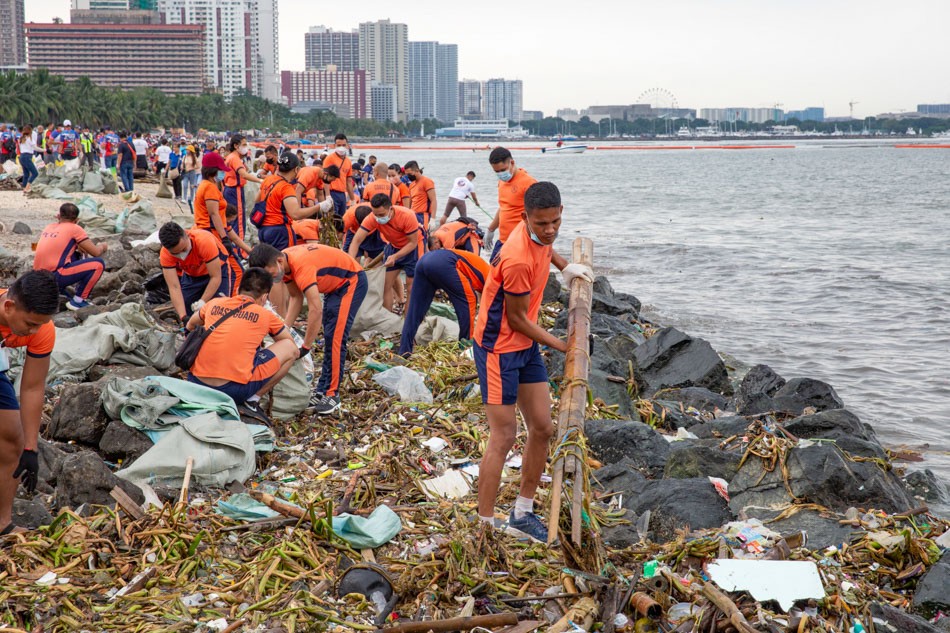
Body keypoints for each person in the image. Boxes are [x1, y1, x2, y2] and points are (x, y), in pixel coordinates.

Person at [472, 181, 593, 542]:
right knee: (504, 435)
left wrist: (565, 267)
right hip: (498, 347)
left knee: (542, 427)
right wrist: (564, 345)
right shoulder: (517, 257)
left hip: (524, 346)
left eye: (556, 221)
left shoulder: (543, 233)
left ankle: (522, 513)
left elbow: (548, 245)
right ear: (525, 218)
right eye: (542, 224)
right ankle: (485, 525)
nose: (551, 229)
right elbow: (517, 319)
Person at [248, 243, 367, 415]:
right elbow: (296, 298)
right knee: (329, 335)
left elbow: (315, 309)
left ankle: (332, 394)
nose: (269, 278)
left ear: (279, 261)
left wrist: (306, 345)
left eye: (269, 273)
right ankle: (322, 390)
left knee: (335, 338)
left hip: (351, 281)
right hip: (333, 288)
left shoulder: (301, 266)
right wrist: (283, 331)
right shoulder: (285, 267)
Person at [185, 267, 298, 410]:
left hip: (196, 382)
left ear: (238, 289)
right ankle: (253, 399)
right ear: (264, 297)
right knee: (290, 349)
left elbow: (190, 324)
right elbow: (289, 342)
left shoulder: (214, 303)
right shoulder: (264, 314)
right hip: (232, 390)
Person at [0, 271, 60, 535]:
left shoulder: (43, 329)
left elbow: (33, 387)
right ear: (9, 307)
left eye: (40, 324)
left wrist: (31, 448)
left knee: (14, 438)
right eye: (30, 323)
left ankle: (2, 525)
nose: (34, 330)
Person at [398, 247, 490, 356]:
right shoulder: (492, 280)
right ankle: (466, 346)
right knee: (469, 300)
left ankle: (404, 349)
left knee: (415, 310)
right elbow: (487, 304)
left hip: (424, 261)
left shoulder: (486, 270)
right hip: (444, 263)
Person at [347, 194, 423, 312]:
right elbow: (356, 241)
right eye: (375, 214)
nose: (378, 218)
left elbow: (412, 243)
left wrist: (395, 256)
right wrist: (351, 262)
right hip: (393, 246)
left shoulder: (407, 216)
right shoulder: (372, 217)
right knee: (385, 285)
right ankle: (388, 317)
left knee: (412, 287)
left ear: (390, 209)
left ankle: (407, 322)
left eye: (381, 215)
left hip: (413, 248)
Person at [33, 202, 109, 310]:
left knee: (73, 254)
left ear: (58, 216)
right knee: (98, 264)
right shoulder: (74, 228)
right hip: (54, 276)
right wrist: (102, 246)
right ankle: (78, 300)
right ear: (77, 220)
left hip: (38, 276)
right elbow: (95, 252)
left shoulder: (49, 227)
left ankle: (60, 290)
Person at [193, 152, 251, 291]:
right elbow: (214, 214)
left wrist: (249, 250)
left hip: (206, 231)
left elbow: (232, 233)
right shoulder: (210, 188)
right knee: (235, 271)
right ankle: (233, 302)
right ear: (214, 170)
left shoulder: (205, 185)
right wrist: (224, 238)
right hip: (212, 232)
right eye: (220, 170)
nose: (222, 174)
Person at [158, 222, 232, 324]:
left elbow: (215, 277)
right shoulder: (165, 254)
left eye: (183, 249)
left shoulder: (204, 241)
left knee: (219, 310)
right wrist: (183, 317)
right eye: (176, 253)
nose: (182, 255)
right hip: (192, 274)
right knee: (187, 308)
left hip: (217, 270)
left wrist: (202, 301)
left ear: (186, 235)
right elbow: (174, 287)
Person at [257, 152, 331, 251]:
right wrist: (320, 206)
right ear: (296, 169)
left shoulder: (268, 180)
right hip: (279, 230)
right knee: (283, 260)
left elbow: (257, 201)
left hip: (263, 228)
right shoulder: (286, 187)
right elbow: (295, 214)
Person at [484, 147, 537, 260]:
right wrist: (491, 229)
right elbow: (503, 207)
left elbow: (538, 213)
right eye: (496, 172)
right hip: (503, 239)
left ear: (512, 163)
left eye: (503, 170)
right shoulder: (502, 182)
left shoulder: (528, 183)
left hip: (520, 241)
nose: (500, 174)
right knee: (493, 273)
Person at [223, 134, 263, 245]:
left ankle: (234, 246)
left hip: (229, 189)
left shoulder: (231, 157)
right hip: (235, 190)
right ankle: (239, 250)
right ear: (236, 146)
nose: (246, 147)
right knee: (239, 220)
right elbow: (244, 174)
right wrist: (259, 181)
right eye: (244, 144)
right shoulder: (234, 158)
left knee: (232, 219)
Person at [322, 133, 354, 216]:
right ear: (334, 145)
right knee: (333, 218)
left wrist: (352, 199)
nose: (341, 147)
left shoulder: (348, 161)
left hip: (342, 194)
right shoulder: (329, 158)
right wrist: (328, 196)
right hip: (332, 192)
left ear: (347, 145)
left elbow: (349, 182)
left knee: (342, 219)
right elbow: (325, 178)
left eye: (343, 145)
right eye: (339, 145)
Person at [403, 161, 437, 232]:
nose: (408, 176)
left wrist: (433, 219)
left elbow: (433, 200)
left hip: (424, 215)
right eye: (406, 174)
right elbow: (411, 202)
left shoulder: (427, 181)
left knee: (424, 237)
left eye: (410, 174)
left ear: (417, 170)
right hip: (413, 215)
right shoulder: (412, 184)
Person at [17, 125, 38, 194]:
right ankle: (27, 188)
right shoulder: (29, 139)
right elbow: (36, 148)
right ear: (30, 131)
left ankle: (24, 187)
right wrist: (45, 150)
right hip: (27, 156)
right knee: (35, 173)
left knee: (26, 174)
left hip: (21, 156)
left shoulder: (21, 138)